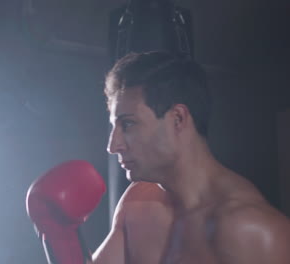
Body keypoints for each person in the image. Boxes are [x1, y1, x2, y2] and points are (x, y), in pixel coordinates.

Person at [26, 51, 290, 264]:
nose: (112, 145)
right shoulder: (138, 202)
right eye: (113, 127)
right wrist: (61, 237)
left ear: (177, 119)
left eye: (128, 124)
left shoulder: (254, 231)